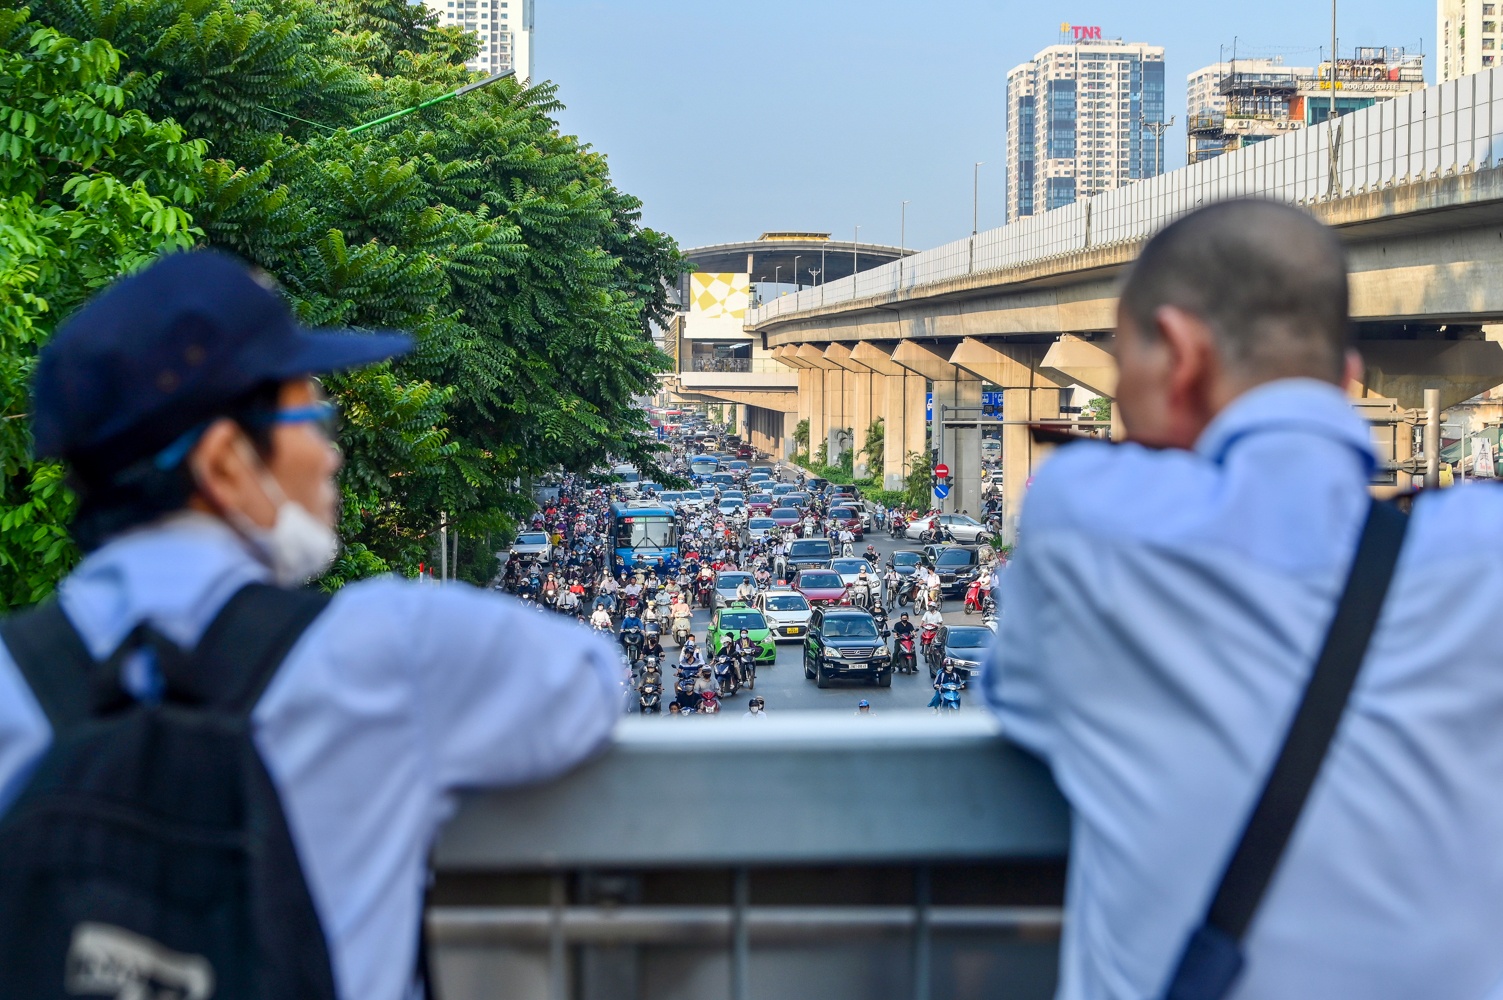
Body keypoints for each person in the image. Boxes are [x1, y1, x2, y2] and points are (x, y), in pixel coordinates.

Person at [0, 252, 621, 1000]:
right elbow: (592, 680)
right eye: (311, 416)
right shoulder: (393, 647)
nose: (330, 454)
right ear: (226, 463)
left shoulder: (11, 679)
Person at [983, 200, 1503, 999]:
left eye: (1123, 372)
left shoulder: (1090, 522)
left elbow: (1018, 694)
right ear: (1347, 379)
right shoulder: (1480, 556)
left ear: (1180, 355)